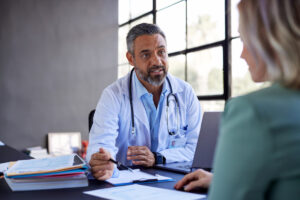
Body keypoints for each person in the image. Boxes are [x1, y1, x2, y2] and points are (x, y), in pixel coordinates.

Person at [175, 0, 300, 199]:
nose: (241, 54)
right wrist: (223, 179)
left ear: (270, 37)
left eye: (244, 39)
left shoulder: (253, 112)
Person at [87, 23, 202, 180]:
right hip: (125, 185)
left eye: (161, 52)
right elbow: (101, 145)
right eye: (146, 54)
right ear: (131, 58)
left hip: (173, 181)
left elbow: (197, 149)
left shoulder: (185, 93)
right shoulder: (113, 95)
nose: (157, 61)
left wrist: (157, 157)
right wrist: (103, 163)